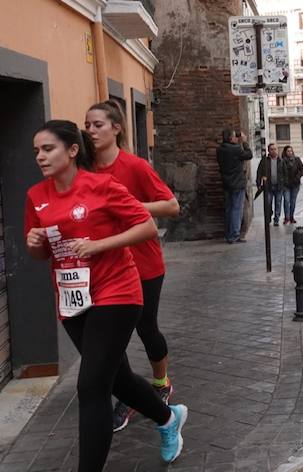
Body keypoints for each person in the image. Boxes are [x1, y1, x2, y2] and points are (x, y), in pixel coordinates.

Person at [25, 120, 188, 469]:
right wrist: (34, 244)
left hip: (117, 290)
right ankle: (168, 419)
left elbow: (146, 226)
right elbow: (42, 254)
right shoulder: (36, 196)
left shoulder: (101, 186)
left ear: (71, 150)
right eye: (36, 150)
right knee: (117, 378)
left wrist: (98, 245)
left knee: (91, 387)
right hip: (72, 298)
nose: (40, 156)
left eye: (48, 148)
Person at [84, 101, 180, 433]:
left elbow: (171, 205)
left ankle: (160, 383)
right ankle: (130, 394)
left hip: (143, 263)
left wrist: (131, 205)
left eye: (98, 125)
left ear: (116, 128)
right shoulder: (86, 170)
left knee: (146, 328)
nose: (91, 131)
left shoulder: (135, 167)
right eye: (87, 125)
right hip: (105, 265)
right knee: (113, 336)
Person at [216, 129, 252, 243]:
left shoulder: (220, 150)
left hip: (226, 183)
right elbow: (249, 155)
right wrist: (245, 142)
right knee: (237, 209)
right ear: (231, 138)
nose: (237, 138)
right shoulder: (236, 149)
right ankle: (234, 235)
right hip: (237, 184)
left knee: (229, 209)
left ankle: (228, 234)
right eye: (234, 136)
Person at [256, 143, 284, 226]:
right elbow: (259, 172)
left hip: (279, 186)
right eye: (271, 149)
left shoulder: (281, 160)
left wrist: (284, 183)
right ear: (268, 150)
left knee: (278, 203)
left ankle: (276, 219)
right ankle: (268, 217)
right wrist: (258, 183)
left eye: (275, 149)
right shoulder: (265, 160)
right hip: (268, 186)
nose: (273, 151)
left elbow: (285, 173)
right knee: (268, 203)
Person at [280, 146, 303, 224]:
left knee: (293, 201)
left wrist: (297, 177)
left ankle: (291, 217)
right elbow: (280, 172)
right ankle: (286, 217)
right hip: (286, 185)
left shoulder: (297, 160)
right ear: (285, 152)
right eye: (288, 151)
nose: (290, 152)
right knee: (286, 201)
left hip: (295, 184)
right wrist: (283, 180)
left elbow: (302, 170)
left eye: (291, 151)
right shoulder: (282, 161)